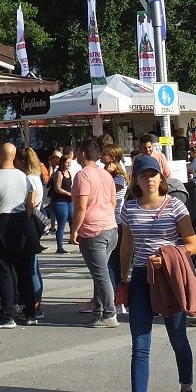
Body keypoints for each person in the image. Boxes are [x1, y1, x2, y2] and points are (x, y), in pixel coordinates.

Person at [117, 154, 196, 392]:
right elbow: (126, 244)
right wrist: (123, 276)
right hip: (141, 277)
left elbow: (192, 245)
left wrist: (167, 257)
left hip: (168, 278)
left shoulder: (175, 205)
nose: (150, 180)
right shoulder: (129, 208)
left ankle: (187, 391)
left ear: (161, 177)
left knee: (178, 338)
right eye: (143, 175)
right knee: (140, 344)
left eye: (153, 175)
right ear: (135, 180)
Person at [0, 143, 35, 328]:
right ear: (13, 156)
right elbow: (30, 204)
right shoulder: (24, 177)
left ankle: (8, 314)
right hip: (21, 223)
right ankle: (30, 312)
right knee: (24, 272)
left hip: (1, 225)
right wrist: (25, 219)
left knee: (4, 272)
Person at [71, 140, 119, 327]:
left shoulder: (83, 175)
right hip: (110, 228)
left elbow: (81, 206)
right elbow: (113, 202)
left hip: (93, 231)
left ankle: (109, 313)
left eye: (77, 151)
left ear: (82, 153)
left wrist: (74, 230)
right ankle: (99, 311)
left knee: (101, 274)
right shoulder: (106, 174)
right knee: (100, 272)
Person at [16, 147, 46, 321]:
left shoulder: (28, 179)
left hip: (29, 223)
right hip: (36, 221)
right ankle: (37, 302)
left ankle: (36, 305)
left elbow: (30, 203)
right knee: (34, 267)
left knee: (31, 269)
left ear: (22, 162)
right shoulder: (37, 178)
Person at [103, 144, 129, 311]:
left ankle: (117, 299)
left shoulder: (118, 177)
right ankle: (117, 298)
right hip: (112, 221)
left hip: (117, 222)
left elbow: (106, 193)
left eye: (104, 154)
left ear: (112, 158)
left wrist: (105, 174)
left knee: (113, 263)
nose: (101, 156)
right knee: (112, 263)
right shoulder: (111, 175)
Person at [49, 152, 75, 253]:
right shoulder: (59, 173)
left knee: (73, 221)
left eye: (70, 162)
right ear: (62, 163)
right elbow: (57, 188)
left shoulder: (69, 173)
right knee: (62, 224)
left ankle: (73, 239)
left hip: (70, 201)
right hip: (60, 202)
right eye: (67, 162)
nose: (68, 164)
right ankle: (60, 247)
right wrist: (69, 194)